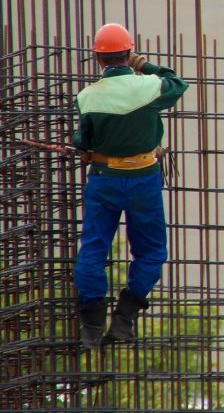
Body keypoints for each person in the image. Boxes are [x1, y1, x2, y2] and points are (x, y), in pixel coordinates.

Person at [72, 23, 188, 348]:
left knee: (93, 250)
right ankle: (124, 318)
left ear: (97, 58)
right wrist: (143, 64)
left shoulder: (87, 97)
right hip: (143, 180)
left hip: (104, 179)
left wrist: (84, 147)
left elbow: (84, 140)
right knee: (151, 253)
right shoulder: (149, 87)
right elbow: (177, 82)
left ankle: (92, 326)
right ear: (129, 52)